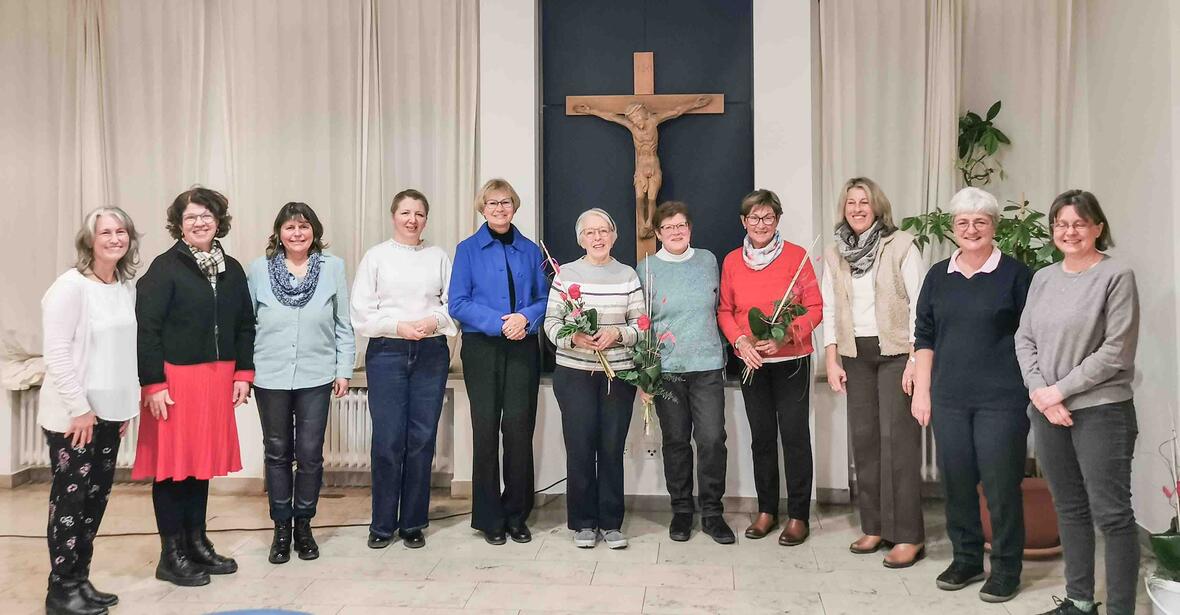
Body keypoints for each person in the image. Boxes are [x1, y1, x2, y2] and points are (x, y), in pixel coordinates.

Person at [1015, 190, 1139, 615]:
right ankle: (1080, 601)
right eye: (1061, 224)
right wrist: (1040, 393)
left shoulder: (1116, 276)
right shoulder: (1043, 278)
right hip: (1047, 408)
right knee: (1069, 507)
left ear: (1097, 228)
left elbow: (1115, 351)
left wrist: (1058, 391)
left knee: (1113, 514)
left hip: (1101, 410)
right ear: (1053, 231)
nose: (1070, 232)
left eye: (1079, 224)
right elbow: (1024, 338)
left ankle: (1120, 608)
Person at [912, 187, 1033, 603]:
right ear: (952, 228)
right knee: (957, 483)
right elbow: (924, 336)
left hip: (1002, 400)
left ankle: (1005, 567)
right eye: (963, 222)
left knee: (1001, 486)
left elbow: (1033, 337)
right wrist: (922, 393)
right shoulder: (937, 276)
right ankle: (965, 559)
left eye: (981, 221)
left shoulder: (1017, 275)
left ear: (994, 226)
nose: (971, 229)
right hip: (948, 398)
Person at [135, 187, 255, 587]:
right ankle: (171, 555)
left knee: (199, 464)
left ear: (218, 220)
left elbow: (244, 325)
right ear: (179, 225)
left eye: (206, 215)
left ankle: (197, 543)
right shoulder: (164, 268)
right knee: (173, 468)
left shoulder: (232, 268)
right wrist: (152, 382)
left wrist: (243, 374)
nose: (200, 222)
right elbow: (147, 329)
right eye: (191, 217)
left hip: (218, 377)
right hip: (174, 380)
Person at [40, 207, 141, 615]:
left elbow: (123, 353)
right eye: (106, 232)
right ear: (89, 240)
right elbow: (57, 353)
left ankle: (80, 578)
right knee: (70, 500)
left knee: (95, 499)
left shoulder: (124, 286)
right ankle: (61, 590)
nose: (115, 238)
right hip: (75, 417)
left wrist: (125, 406)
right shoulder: (69, 287)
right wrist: (79, 409)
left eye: (122, 232)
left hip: (109, 414)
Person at [821, 177, 926, 567]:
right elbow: (831, 308)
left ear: (877, 206)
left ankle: (909, 535)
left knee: (898, 440)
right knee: (864, 440)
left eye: (864, 202)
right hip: (855, 354)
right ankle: (875, 526)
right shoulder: (836, 254)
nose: (858, 208)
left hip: (897, 351)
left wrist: (915, 359)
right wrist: (832, 358)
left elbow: (920, 305)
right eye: (851, 202)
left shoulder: (901, 245)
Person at [247, 202, 354, 564]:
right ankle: (281, 529)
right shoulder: (259, 270)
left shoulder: (332, 267)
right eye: (290, 227)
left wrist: (344, 369)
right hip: (270, 374)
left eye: (304, 227)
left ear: (314, 232)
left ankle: (304, 525)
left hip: (317, 373)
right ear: (279, 232)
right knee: (277, 453)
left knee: (309, 454)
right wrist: (243, 374)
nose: (297, 233)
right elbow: (246, 325)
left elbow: (343, 323)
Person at [351, 188, 457, 550]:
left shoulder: (438, 256)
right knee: (387, 440)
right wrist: (399, 328)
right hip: (388, 354)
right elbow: (361, 313)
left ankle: (413, 522)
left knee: (422, 439)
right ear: (393, 215)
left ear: (426, 219)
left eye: (419, 214)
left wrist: (429, 322)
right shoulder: (376, 257)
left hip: (430, 351)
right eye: (406, 213)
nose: (412, 220)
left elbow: (453, 304)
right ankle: (382, 523)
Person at [717, 189, 822, 546]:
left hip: (792, 361)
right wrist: (741, 343)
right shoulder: (732, 261)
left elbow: (815, 307)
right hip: (753, 363)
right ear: (743, 222)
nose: (761, 224)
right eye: (754, 218)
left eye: (768, 218)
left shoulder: (797, 256)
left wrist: (786, 337)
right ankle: (766, 510)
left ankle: (798, 515)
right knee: (761, 438)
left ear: (777, 220)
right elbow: (725, 311)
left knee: (794, 438)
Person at [449, 179, 548, 545]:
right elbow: (457, 303)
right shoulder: (468, 249)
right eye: (492, 203)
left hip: (523, 346)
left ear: (515, 206)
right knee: (486, 431)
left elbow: (544, 298)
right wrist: (500, 323)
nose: (500, 209)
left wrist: (526, 319)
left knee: (520, 431)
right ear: (482, 208)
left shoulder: (529, 249)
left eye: (506, 202)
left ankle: (517, 514)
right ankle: (490, 518)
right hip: (482, 348)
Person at [543, 208, 644, 549]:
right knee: (581, 447)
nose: (598, 237)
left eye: (604, 231)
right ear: (580, 239)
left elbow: (641, 326)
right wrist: (574, 338)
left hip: (618, 373)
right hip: (575, 374)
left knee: (612, 447)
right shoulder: (565, 274)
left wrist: (618, 334)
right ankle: (584, 523)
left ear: (614, 236)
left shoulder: (628, 275)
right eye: (590, 232)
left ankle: (612, 523)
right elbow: (551, 323)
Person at [635, 201, 734, 544]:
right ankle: (681, 510)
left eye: (682, 226)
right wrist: (643, 375)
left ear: (690, 228)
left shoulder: (708, 261)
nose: (676, 232)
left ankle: (712, 513)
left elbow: (722, 307)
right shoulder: (645, 269)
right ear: (658, 233)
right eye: (668, 227)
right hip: (666, 371)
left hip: (707, 366)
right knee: (676, 441)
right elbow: (641, 323)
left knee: (711, 440)